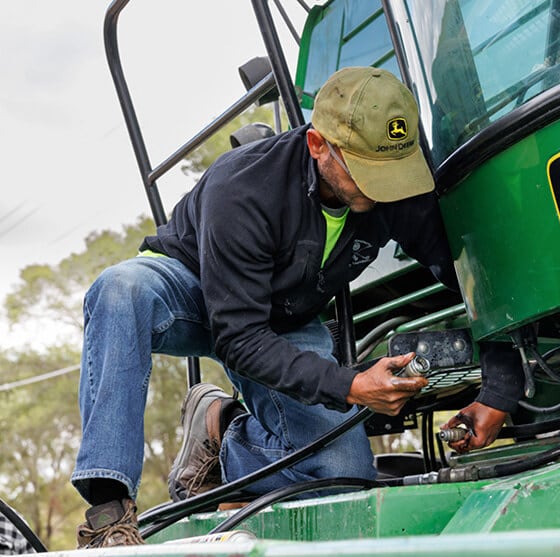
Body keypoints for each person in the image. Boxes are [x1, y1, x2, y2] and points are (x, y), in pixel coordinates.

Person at [71, 67, 523, 548]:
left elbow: (471, 277)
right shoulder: (243, 187)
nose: (382, 188)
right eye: (365, 171)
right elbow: (238, 339)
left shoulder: (393, 187)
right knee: (120, 289)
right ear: (317, 146)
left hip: (281, 316)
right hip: (192, 286)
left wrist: (499, 391)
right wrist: (348, 384)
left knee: (344, 471)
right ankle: (108, 513)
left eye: (391, 171)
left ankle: (222, 432)